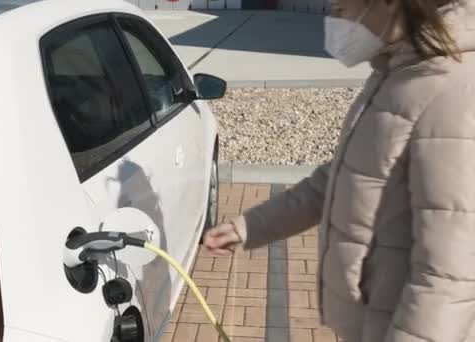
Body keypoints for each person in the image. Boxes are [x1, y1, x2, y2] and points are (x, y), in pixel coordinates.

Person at [203, 0, 475, 341]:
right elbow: (342, 177)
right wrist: (250, 227)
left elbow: (449, 275)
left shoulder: (451, 92)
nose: (333, 19)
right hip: (369, 325)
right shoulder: (396, 73)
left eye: (341, 8)